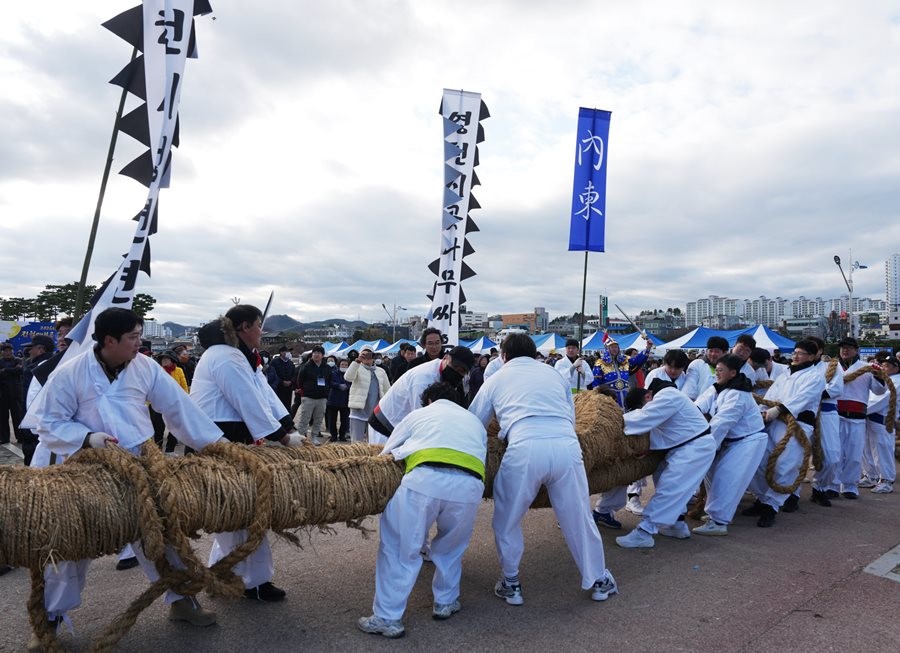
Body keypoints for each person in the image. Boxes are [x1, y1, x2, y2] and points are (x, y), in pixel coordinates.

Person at [25, 308, 224, 647]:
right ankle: (50, 622)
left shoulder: (144, 366)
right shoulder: (70, 373)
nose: (139, 344)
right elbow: (47, 422)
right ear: (109, 340)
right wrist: (88, 437)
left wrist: (217, 446)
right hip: (84, 467)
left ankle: (181, 600)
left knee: (159, 535)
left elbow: (178, 409)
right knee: (69, 545)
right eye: (133, 337)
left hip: (139, 462)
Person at [468, 334, 618, 605]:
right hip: (566, 445)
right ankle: (599, 580)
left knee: (508, 518)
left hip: (524, 446)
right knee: (578, 516)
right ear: (534, 352)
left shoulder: (497, 378)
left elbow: (473, 422)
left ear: (503, 355)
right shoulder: (554, 374)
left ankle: (511, 583)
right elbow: (571, 417)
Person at [191, 305, 303, 603]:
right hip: (223, 438)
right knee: (240, 511)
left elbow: (263, 392)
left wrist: (288, 426)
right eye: (257, 325)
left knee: (238, 514)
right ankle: (250, 581)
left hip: (231, 435)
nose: (261, 331)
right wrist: (281, 436)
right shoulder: (225, 357)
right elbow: (247, 399)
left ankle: (225, 572)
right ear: (242, 327)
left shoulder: (239, 357)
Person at [358, 382, 487, 639]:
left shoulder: (419, 414)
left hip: (424, 481)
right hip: (470, 487)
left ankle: (387, 617)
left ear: (428, 401)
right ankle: (446, 602)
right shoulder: (473, 421)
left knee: (400, 548)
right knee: (451, 547)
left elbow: (388, 451)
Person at [614, 378, 716, 548]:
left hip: (695, 448)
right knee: (664, 479)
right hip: (686, 447)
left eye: (641, 406)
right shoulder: (666, 399)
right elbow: (661, 430)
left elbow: (643, 417)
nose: (644, 409)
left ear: (648, 396)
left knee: (671, 487)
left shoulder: (668, 396)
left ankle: (645, 532)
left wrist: (612, 424)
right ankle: (677, 525)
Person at [743, 339, 825, 527]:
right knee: (761, 460)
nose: (795, 356)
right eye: (795, 352)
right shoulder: (786, 373)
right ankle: (762, 498)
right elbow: (771, 395)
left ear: (812, 356)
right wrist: (764, 410)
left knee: (786, 464)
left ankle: (771, 506)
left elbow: (802, 399)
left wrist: (779, 410)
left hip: (797, 425)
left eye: (801, 353)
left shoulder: (815, 376)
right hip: (773, 422)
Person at [691, 354, 768, 536]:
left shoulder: (738, 394)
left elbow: (722, 422)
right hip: (731, 441)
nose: (717, 373)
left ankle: (718, 521)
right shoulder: (719, 388)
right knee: (711, 473)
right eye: (716, 370)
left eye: (721, 371)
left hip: (747, 441)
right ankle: (715, 513)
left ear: (733, 373)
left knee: (727, 478)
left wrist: (703, 446)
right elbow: (698, 405)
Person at [369, 346, 474, 439]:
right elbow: (421, 418)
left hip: (403, 427)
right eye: (455, 366)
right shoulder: (423, 379)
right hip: (385, 426)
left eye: (462, 370)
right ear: (445, 358)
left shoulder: (453, 380)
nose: (457, 372)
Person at [834, 337, 885, 499]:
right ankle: (833, 485)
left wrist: (878, 376)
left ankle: (849, 486)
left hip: (857, 417)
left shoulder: (867, 368)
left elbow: (879, 391)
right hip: (835, 415)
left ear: (856, 350)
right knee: (835, 453)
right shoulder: (831, 367)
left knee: (854, 454)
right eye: (842, 347)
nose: (845, 350)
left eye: (849, 347)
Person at [808, 336, 843, 507]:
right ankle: (791, 494)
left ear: (820, 350)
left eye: (813, 348)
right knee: (794, 457)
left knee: (831, 457)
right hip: (803, 414)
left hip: (827, 414)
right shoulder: (793, 369)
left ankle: (819, 487)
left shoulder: (832, 367)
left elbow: (836, 388)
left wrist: (811, 393)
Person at [861, 356, 898, 494]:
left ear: (896, 368)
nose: (883, 368)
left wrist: (858, 410)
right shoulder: (881, 380)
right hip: (869, 418)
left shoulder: (896, 382)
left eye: (887, 365)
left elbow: (879, 402)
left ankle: (886, 481)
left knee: (882, 452)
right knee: (867, 450)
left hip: (882, 420)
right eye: (882, 365)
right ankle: (871, 476)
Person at [344, 347, 391, 443]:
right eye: (364, 354)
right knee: (356, 442)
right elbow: (348, 377)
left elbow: (387, 390)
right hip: (358, 411)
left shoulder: (381, 371)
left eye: (370, 355)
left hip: (375, 413)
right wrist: (357, 361)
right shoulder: (357, 367)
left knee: (373, 442)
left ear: (373, 356)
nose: (367, 357)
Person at [592, 335, 652, 407]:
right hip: (609, 397)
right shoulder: (600, 363)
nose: (614, 349)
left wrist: (648, 348)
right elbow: (596, 383)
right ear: (607, 349)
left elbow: (638, 360)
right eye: (612, 347)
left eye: (616, 347)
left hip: (625, 395)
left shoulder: (625, 360)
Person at [295, 345, 330, 441]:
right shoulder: (306, 366)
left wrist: (326, 392)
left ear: (323, 355)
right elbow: (300, 380)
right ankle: (301, 437)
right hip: (308, 396)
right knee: (304, 418)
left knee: (318, 419)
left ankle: (314, 437)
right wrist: (304, 389)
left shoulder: (326, 367)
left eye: (318, 353)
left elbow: (329, 380)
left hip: (322, 397)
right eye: (314, 353)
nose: (316, 355)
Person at [682, 336, 729, 401]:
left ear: (725, 353)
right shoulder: (697, 364)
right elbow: (689, 388)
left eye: (717, 351)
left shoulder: (729, 370)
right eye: (710, 351)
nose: (713, 354)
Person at [0, 342, 23, 445]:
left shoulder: (18, 360)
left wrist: (5, 370)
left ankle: (20, 437)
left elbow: (19, 371)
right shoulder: (0, 362)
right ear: (2, 352)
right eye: (5, 351)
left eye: (10, 350)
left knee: (17, 417)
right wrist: (12, 370)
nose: (8, 352)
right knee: (3, 418)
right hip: (3, 395)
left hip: (15, 394)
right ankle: (4, 438)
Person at [326, 359, 351, 442]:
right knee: (332, 419)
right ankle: (333, 435)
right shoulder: (333, 373)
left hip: (345, 400)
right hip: (333, 400)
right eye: (342, 364)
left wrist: (347, 386)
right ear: (339, 365)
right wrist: (338, 385)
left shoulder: (350, 375)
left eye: (346, 365)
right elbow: (330, 382)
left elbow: (352, 383)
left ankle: (342, 435)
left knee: (344, 420)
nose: (344, 366)